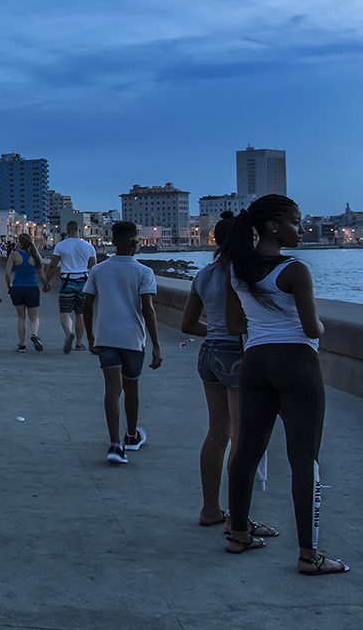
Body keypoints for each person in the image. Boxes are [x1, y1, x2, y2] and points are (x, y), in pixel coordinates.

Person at [220, 195, 348, 575]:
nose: (301, 228)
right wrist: (320, 326)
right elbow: (312, 328)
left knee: (247, 450)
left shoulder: (235, 269)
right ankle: (309, 555)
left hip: (255, 362)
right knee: (303, 459)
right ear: (273, 225)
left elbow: (234, 325)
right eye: (295, 221)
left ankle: (237, 534)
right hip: (297, 363)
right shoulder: (295, 270)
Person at [180, 212, 277, 538]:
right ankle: (239, 517)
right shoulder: (244, 274)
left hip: (209, 354)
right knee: (242, 436)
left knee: (217, 432)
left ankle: (210, 509)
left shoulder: (205, 274)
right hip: (237, 357)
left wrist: (215, 332)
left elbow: (187, 325)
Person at [84, 220, 161, 464]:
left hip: (106, 337)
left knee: (111, 389)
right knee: (131, 387)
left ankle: (115, 445)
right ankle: (131, 435)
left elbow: (86, 306)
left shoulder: (99, 270)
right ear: (134, 243)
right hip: (132, 338)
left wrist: (89, 336)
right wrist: (157, 345)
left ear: (113, 242)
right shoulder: (143, 272)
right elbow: (148, 310)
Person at [46, 220, 99, 353]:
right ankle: (79, 342)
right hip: (83, 281)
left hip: (67, 281)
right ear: (79, 230)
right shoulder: (89, 247)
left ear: (67, 231)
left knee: (65, 311)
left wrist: (46, 281)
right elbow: (94, 268)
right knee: (80, 313)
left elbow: (53, 265)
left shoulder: (61, 245)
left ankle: (69, 333)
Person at [3, 233, 45, 352]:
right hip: (32, 287)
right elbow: (42, 275)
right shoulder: (35, 256)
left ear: (20, 242)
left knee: (21, 317)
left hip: (17, 287)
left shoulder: (14, 255)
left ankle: (22, 345)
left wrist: (8, 286)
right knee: (34, 317)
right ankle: (34, 334)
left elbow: (7, 274)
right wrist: (46, 285)